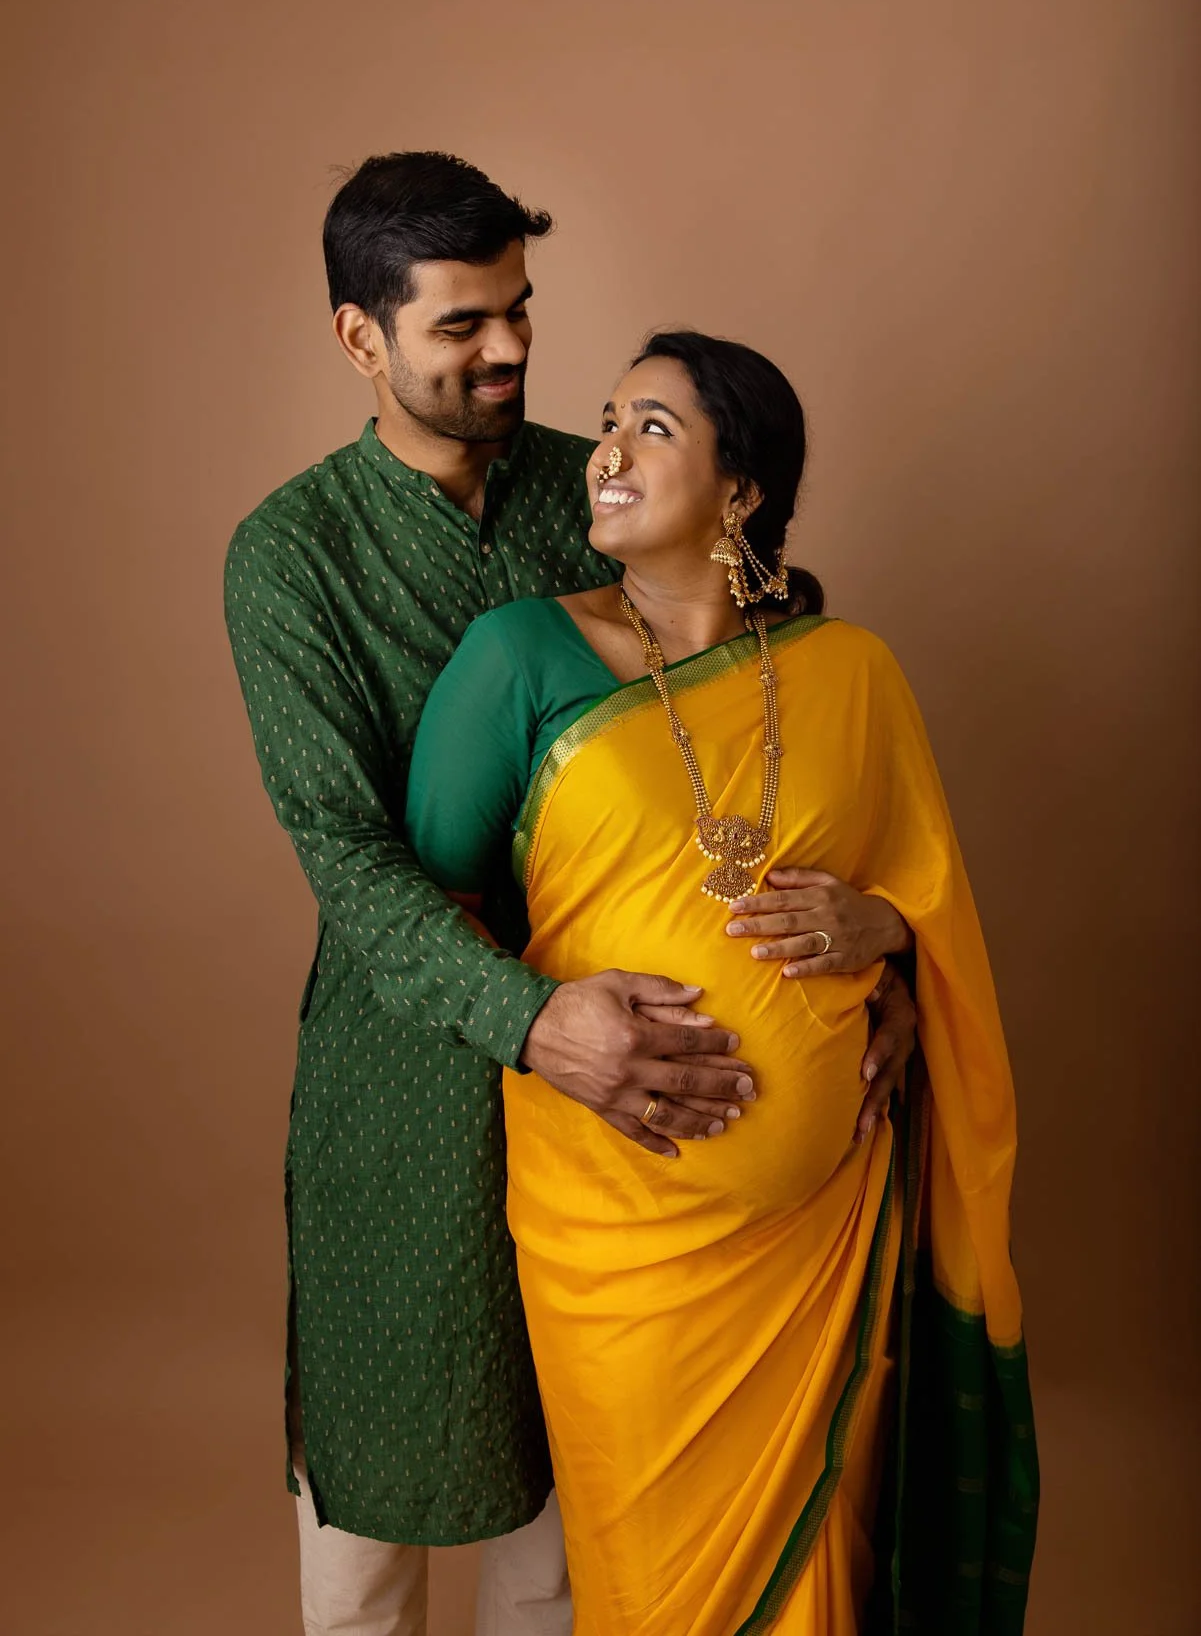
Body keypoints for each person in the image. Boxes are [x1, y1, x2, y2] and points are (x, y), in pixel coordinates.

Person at [225, 153, 917, 1636]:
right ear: (362, 338)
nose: (512, 351)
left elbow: (771, 729)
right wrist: (540, 1027)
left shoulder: (595, 485)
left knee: (568, 1532)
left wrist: (885, 948)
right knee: (373, 1544)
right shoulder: (291, 556)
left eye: (522, 312)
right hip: (409, 1083)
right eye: (464, 325)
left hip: (625, 1127)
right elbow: (353, 859)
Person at [406, 331, 1039, 1634]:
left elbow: (931, 908)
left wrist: (893, 947)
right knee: (652, 1584)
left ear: (740, 489)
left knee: (833, 1578)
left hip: (825, 1234)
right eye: (606, 421)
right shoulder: (519, 656)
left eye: (651, 426)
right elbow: (423, 913)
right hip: (613, 1224)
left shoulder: (849, 672)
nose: (608, 452)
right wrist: (548, 1030)